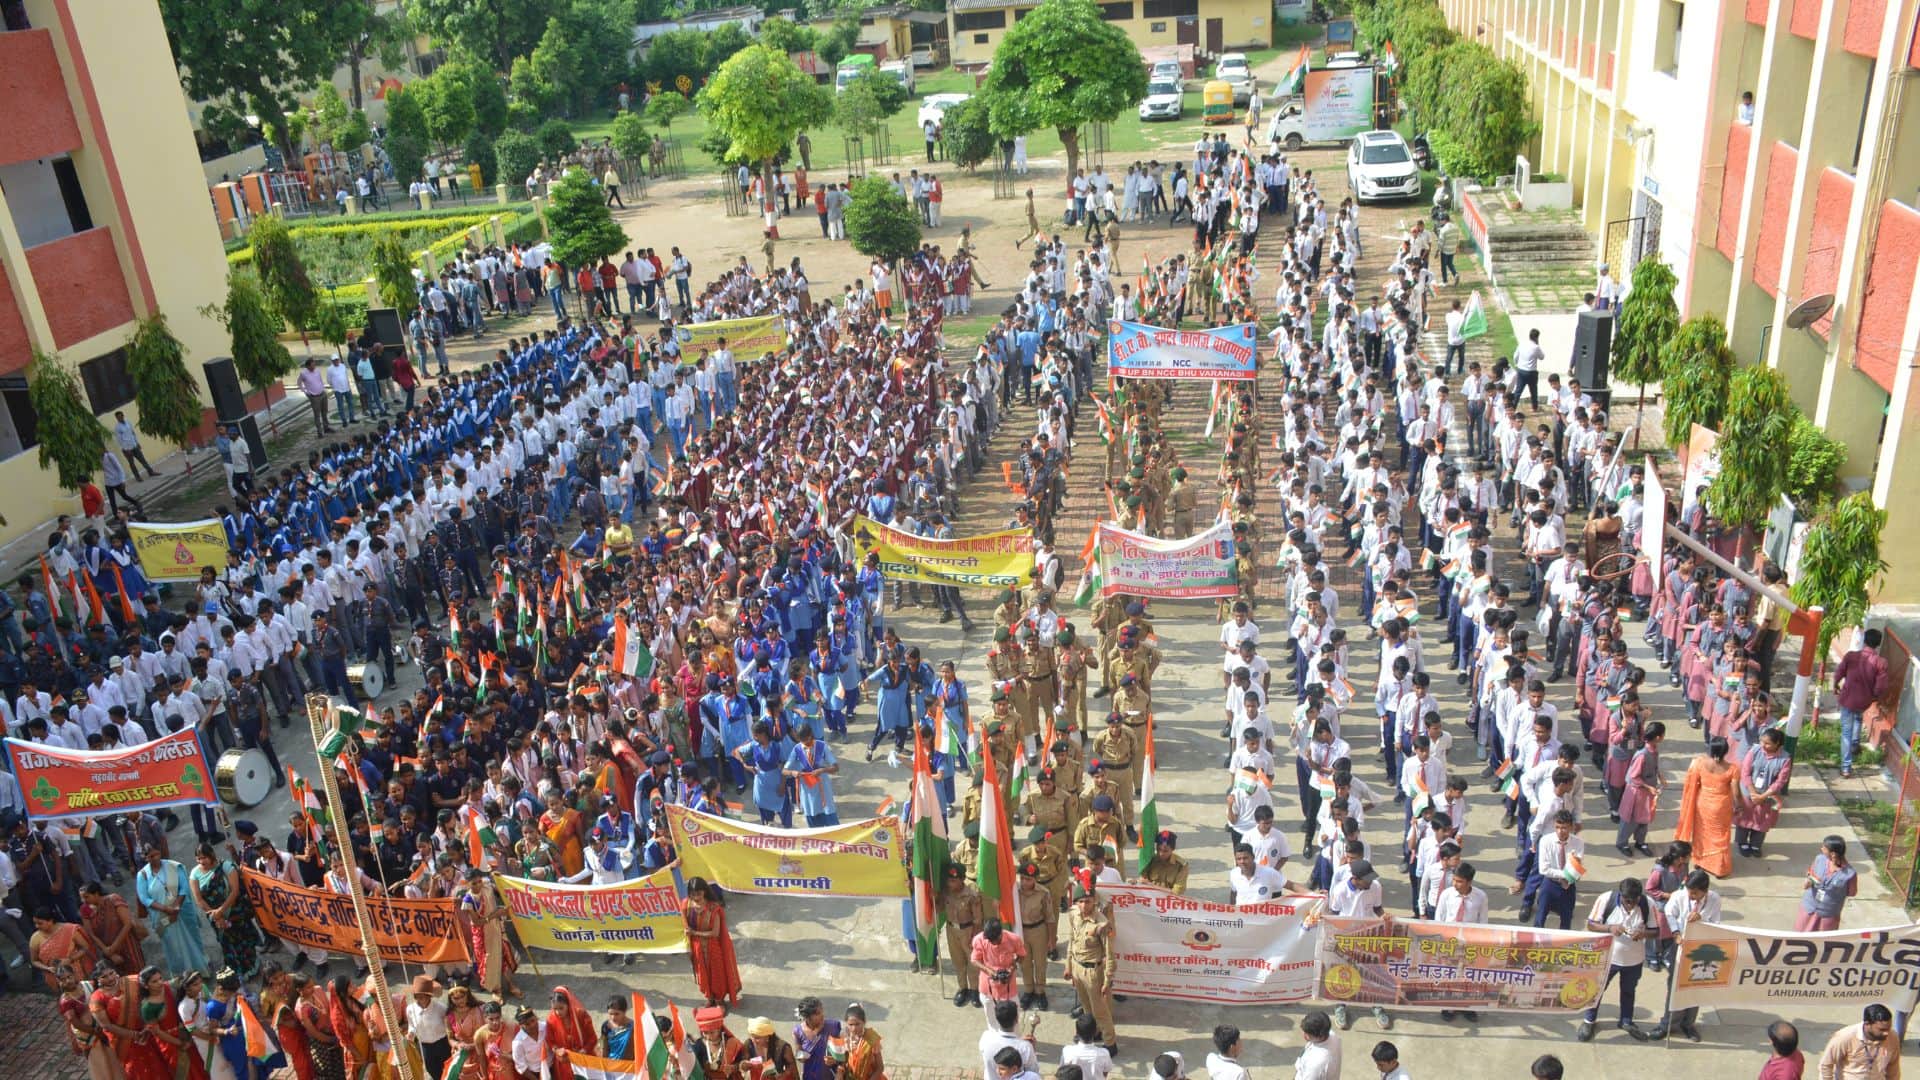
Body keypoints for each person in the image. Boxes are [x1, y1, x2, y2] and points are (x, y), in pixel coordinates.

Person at [1577, 877, 1653, 1042]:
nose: (1631, 905)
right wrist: (1610, 928)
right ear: (1621, 895)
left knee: (1628, 991)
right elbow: (1591, 924)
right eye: (1627, 901)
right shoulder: (1606, 899)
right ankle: (1589, 1021)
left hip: (1634, 960)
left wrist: (1643, 934)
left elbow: (1656, 931)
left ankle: (1626, 1021)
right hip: (1607, 958)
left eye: (1634, 901)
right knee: (1597, 990)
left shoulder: (1648, 904)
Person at [188, 842, 264, 978]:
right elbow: (199, 899)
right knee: (227, 943)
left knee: (243, 940)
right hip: (216, 918)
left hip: (235, 912)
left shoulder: (226, 867)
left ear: (212, 855)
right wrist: (216, 915)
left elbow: (234, 891)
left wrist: (222, 910)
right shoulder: (194, 874)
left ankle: (251, 967)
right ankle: (235, 970)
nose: (201, 861)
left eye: (204, 857)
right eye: (198, 858)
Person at [136, 845, 207, 977]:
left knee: (192, 938)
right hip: (163, 915)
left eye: (156, 854)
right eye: (150, 856)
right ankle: (181, 975)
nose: (155, 858)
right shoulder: (143, 875)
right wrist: (165, 909)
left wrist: (176, 906)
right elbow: (144, 898)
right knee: (172, 946)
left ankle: (200, 968)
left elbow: (184, 887)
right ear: (145, 858)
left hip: (182, 910)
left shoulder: (174, 867)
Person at [1674, 737, 1739, 877]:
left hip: (1702, 805)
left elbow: (1691, 784)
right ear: (1726, 751)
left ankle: (1700, 862)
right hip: (1721, 807)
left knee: (1701, 833)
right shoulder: (1732, 769)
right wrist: (1738, 806)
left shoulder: (1699, 763)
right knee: (1720, 836)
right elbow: (1736, 792)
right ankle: (1719, 869)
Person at [1832, 630, 1888, 778]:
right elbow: (1881, 685)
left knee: (1846, 732)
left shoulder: (1851, 656)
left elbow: (1839, 672)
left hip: (1848, 698)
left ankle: (1846, 767)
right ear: (1878, 644)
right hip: (1865, 700)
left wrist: (1835, 684)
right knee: (1857, 717)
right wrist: (1874, 696)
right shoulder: (1880, 662)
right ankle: (1855, 745)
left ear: (1864, 640)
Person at [683, 877, 742, 1009]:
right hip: (696, 947)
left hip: (713, 947)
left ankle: (720, 1001)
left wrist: (694, 933)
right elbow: (685, 927)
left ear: (704, 891)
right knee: (702, 975)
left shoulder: (714, 908)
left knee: (717, 975)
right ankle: (710, 998)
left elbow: (715, 933)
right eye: (693, 894)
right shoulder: (686, 905)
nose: (696, 897)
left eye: (699, 894)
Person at [1735, 727, 1793, 857]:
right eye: (1762, 742)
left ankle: (1756, 844)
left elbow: (1780, 781)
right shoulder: (1754, 751)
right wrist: (1752, 792)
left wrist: (1763, 796)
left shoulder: (1785, 759)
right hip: (1748, 792)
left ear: (1777, 744)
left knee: (1762, 820)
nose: (1763, 745)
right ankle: (1742, 842)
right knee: (1745, 817)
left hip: (1767, 795)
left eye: (1767, 743)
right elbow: (1745, 772)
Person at [1817, 1005, 1901, 1080]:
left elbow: (1893, 1067)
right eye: (1881, 1029)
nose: (1886, 1033)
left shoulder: (1892, 1037)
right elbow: (1826, 1065)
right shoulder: (1844, 1037)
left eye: (1888, 1028)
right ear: (1867, 1024)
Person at [1796, 835, 1859, 931]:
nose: (1821, 849)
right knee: (1800, 935)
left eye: (1824, 848)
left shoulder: (1850, 874)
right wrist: (1809, 880)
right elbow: (1811, 872)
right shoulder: (1819, 859)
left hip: (1828, 913)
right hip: (1809, 907)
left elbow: (1852, 893)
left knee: (1822, 940)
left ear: (1833, 854)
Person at [970, 916, 1029, 1005]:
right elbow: (974, 960)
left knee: (1013, 1016)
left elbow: (1022, 955)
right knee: (991, 1017)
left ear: (1000, 933)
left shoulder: (1014, 939)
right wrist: (988, 970)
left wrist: (1013, 966)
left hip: (1009, 988)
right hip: (988, 987)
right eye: (990, 940)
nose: (992, 943)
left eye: (995, 940)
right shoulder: (979, 940)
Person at [1295, 1011, 1340, 1080]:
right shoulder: (1332, 1035)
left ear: (1320, 1036)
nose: (1304, 1036)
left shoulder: (1315, 1065)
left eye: (1308, 1034)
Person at [113, 411, 160, 479]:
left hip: (134, 445)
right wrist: (126, 449)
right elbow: (120, 440)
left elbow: (133, 433)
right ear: (116, 418)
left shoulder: (128, 422)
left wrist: (137, 443)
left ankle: (151, 472)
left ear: (123, 416)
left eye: (121, 416)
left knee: (142, 460)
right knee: (132, 464)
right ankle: (137, 477)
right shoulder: (117, 428)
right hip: (127, 449)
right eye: (118, 418)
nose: (120, 418)